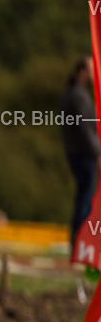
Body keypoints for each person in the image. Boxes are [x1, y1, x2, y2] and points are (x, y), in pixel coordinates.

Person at [61, 57, 100, 243]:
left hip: (77, 152)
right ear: (83, 72)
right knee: (86, 199)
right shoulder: (79, 96)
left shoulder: (72, 94)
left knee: (84, 197)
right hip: (84, 154)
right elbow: (85, 128)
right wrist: (97, 153)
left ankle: (79, 240)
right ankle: (80, 240)